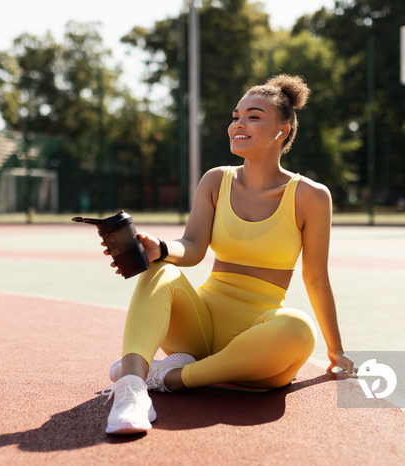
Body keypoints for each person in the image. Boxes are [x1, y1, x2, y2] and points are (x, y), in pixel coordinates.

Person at [100, 74, 355, 435]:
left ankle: (172, 377)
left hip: (256, 344)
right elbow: (191, 248)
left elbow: (315, 277)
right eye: (236, 116)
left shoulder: (310, 196)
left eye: (253, 116)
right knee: (159, 271)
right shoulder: (216, 180)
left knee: (298, 328)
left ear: (281, 131)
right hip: (198, 330)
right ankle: (132, 389)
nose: (238, 123)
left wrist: (336, 349)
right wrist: (161, 249)